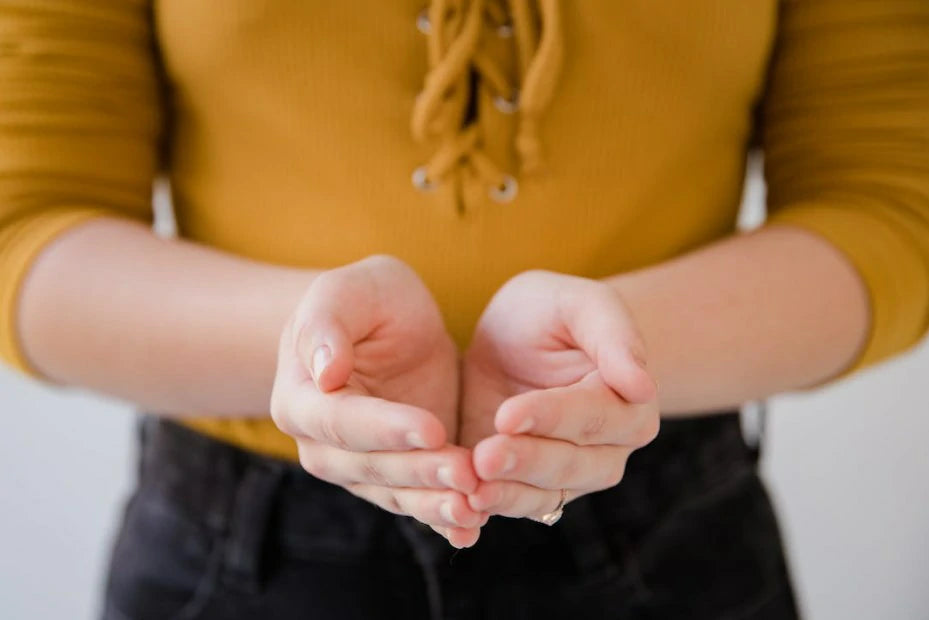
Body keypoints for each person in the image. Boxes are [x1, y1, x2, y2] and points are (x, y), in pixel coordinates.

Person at [1, 1, 927, 618]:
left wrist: (617, 350)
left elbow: (891, 205)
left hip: (669, 525)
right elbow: (26, 220)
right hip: (242, 545)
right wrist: (306, 343)